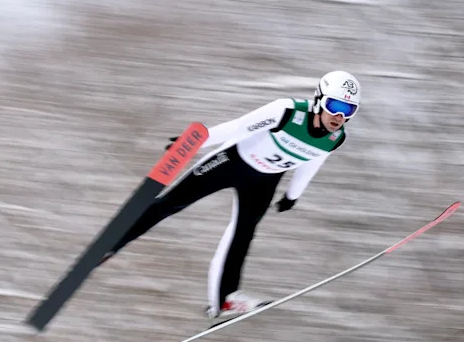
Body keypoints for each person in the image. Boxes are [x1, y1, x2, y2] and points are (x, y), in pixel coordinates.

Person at [102, 70, 362, 319]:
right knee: (171, 204)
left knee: (243, 233)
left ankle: (224, 300)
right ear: (319, 100)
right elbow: (238, 128)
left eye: (348, 110)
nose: (339, 115)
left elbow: (312, 162)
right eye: (334, 105)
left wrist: (293, 195)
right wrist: (193, 143)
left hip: (264, 181)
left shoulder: (335, 138)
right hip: (231, 163)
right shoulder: (286, 111)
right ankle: (112, 243)